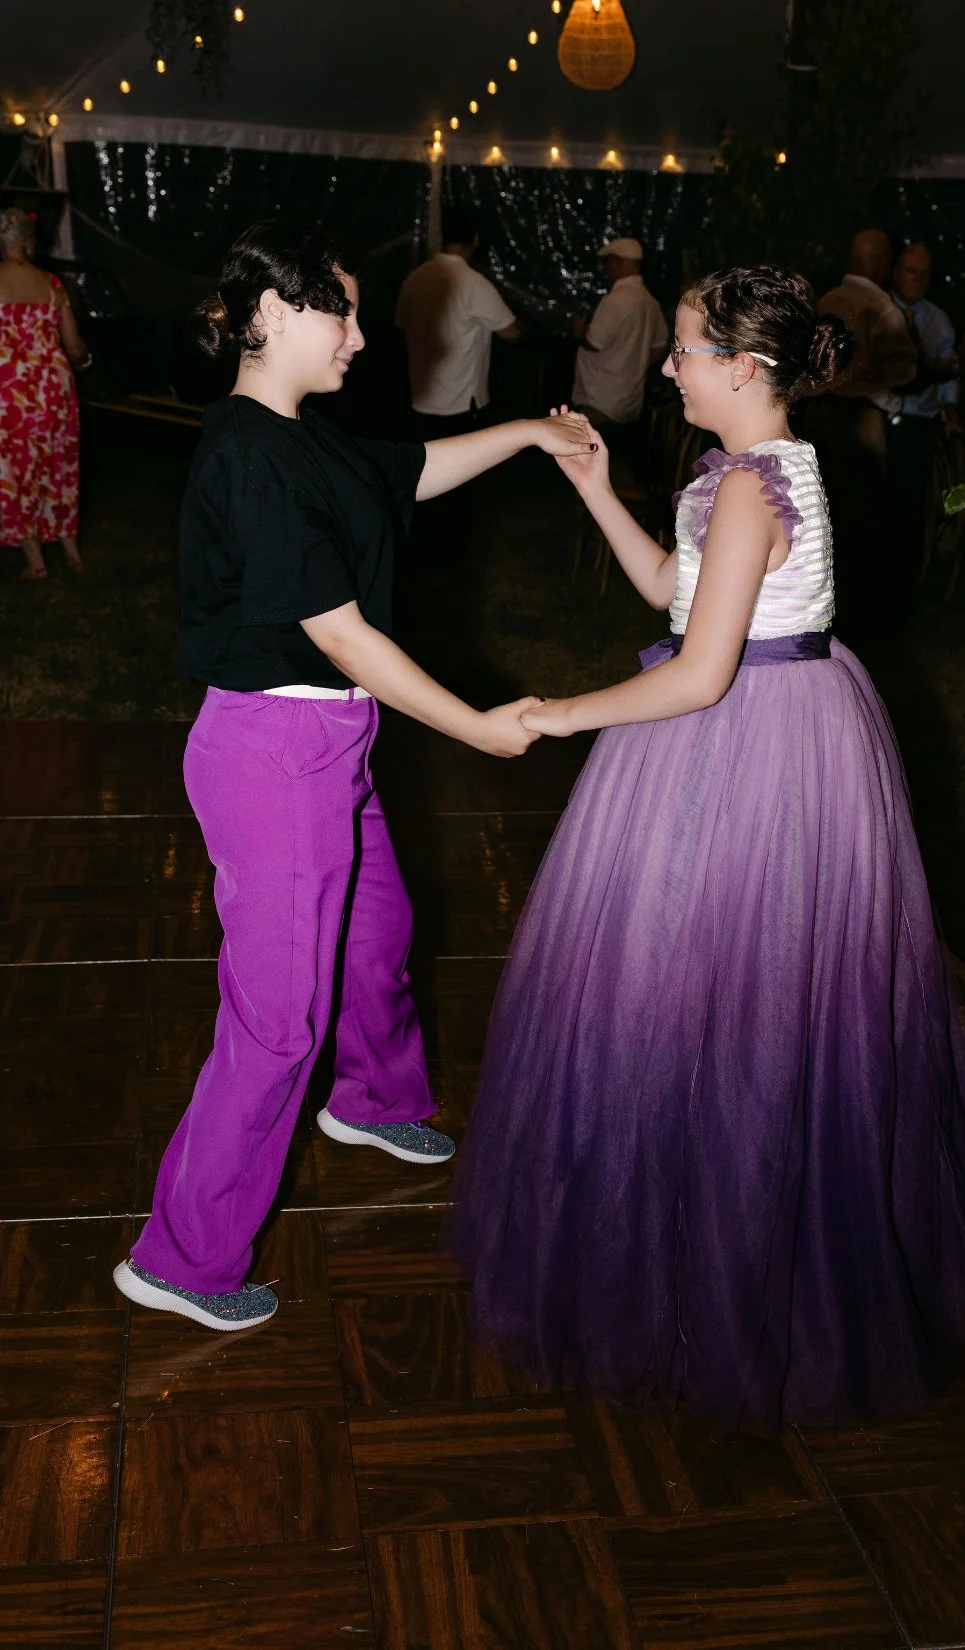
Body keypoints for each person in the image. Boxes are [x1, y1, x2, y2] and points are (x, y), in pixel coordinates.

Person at [449, 264, 965, 1431]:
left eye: (682, 349)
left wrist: (558, 713)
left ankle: (712, 1272)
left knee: (708, 1007)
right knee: (734, 1001)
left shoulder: (742, 490)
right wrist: (594, 487)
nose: (668, 366)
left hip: (747, 749)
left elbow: (697, 674)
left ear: (742, 367)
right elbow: (671, 593)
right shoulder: (762, 469)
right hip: (784, 721)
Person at [112, 221, 594, 1332]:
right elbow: (339, 634)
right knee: (278, 1021)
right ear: (272, 315)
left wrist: (531, 433)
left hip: (332, 741)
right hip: (275, 754)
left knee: (377, 932)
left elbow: (414, 469)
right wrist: (475, 728)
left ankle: (371, 1100)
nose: (362, 339)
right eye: (342, 314)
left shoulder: (304, 436)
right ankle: (182, 1257)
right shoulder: (249, 458)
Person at [802, 229, 918, 634]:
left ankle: (823, 605)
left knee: (821, 514)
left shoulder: (825, 301)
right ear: (881, 262)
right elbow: (905, 370)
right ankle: (861, 613)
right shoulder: (882, 308)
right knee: (862, 517)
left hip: (816, 419)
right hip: (861, 421)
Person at [0, 207, 88, 580]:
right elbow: (74, 346)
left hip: (10, 391)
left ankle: (35, 560)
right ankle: (71, 552)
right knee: (58, 463)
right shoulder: (52, 284)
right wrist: (85, 361)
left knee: (15, 468)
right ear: (27, 242)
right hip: (53, 386)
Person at [395, 206, 521, 438]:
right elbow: (512, 332)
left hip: (420, 400)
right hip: (461, 405)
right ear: (475, 240)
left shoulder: (414, 279)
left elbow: (401, 325)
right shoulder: (474, 283)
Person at [888, 242, 960, 586]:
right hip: (882, 420)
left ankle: (908, 580)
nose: (917, 279)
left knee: (913, 506)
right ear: (896, 273)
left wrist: (951, 414)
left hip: (919, 424)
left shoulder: (938, 319)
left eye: (924, 274)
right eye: (910, 271)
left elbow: (950, 374)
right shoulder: (880, 308)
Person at [571, 236, 668, 453]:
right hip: (630, 399)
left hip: (601, 398)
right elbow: (660, 345)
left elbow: (595, 342)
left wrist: (579, 332)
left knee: (588, 456)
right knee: (617, 458)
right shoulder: (650, 302)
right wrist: (634, 362)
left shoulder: (616, 299)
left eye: (609, 264)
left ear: (617, 263)